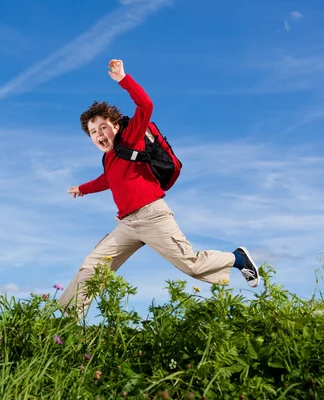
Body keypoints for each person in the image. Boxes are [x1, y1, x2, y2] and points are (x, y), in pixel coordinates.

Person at [58, 58, 260, 320]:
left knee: (191, 264)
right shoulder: (108, 158)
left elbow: (146, 104)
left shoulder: (130, 136)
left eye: (103, 126)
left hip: (153, 215)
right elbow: (107, 180)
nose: (99, 134)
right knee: (93, 266)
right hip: (127, 225)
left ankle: (238, 259)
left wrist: (123, 79)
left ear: (115, 125)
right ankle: (64, 324)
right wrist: (82, 189)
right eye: (93, 131)